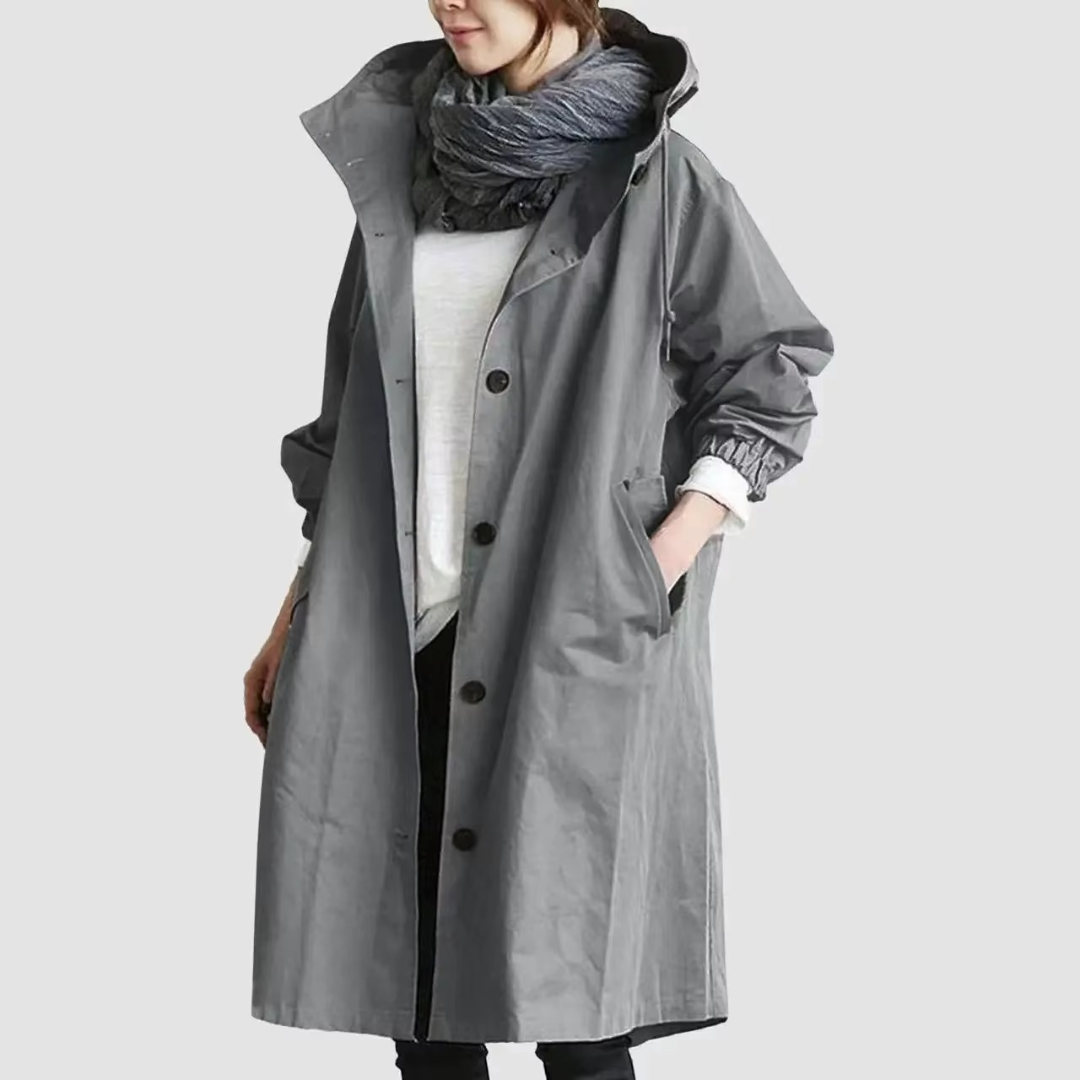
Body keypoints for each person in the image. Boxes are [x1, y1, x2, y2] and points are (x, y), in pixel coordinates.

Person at [244, 3, 834, 1078]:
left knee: (580, 1023)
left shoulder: (661, 182)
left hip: (564, 637)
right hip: (393, 638)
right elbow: (348, 428)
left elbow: (768, 375)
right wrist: (296, 613)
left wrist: (647, 564)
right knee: (420, 1013)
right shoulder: (405, 179)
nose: (450, 1)